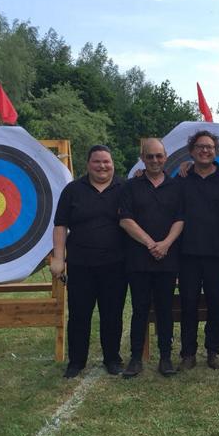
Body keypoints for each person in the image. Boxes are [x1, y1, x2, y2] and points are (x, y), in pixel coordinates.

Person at [51, 145, 128, 378]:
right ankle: (76, 362)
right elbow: (60, 225)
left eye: (106, 161)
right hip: (80, 264)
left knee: (112, 314)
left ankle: (112, 358)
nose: (102, 166)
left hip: (116, 264)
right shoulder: (73, 190)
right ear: (88, 164)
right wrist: (58, 257)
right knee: (79, 314)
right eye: (97, 162)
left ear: (112, 164)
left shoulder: (125, 188)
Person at [119, 138, 184, 378]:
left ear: (165, 157)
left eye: (159, 156)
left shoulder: (177, 186)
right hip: (139, 259)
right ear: (142, 158)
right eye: (150, 156)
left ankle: (166, 358)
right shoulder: (130, 186)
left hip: (167, 258)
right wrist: (150, 243)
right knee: (140, 309)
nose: (155, 160)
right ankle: (136, 358)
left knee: (165, 309)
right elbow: (125, 220)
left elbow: (180, 219)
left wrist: (165, 244)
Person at [177, 130, 219, 371]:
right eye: (200, 146)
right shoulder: (181, 178)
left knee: (215, 304)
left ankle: (213, 351)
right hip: (187, 253)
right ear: (191, 151)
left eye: (209, 147)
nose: (205, 150)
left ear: (216, 151)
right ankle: (188, 353)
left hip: (218, 253)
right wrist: (138, 173)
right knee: (188, 304)